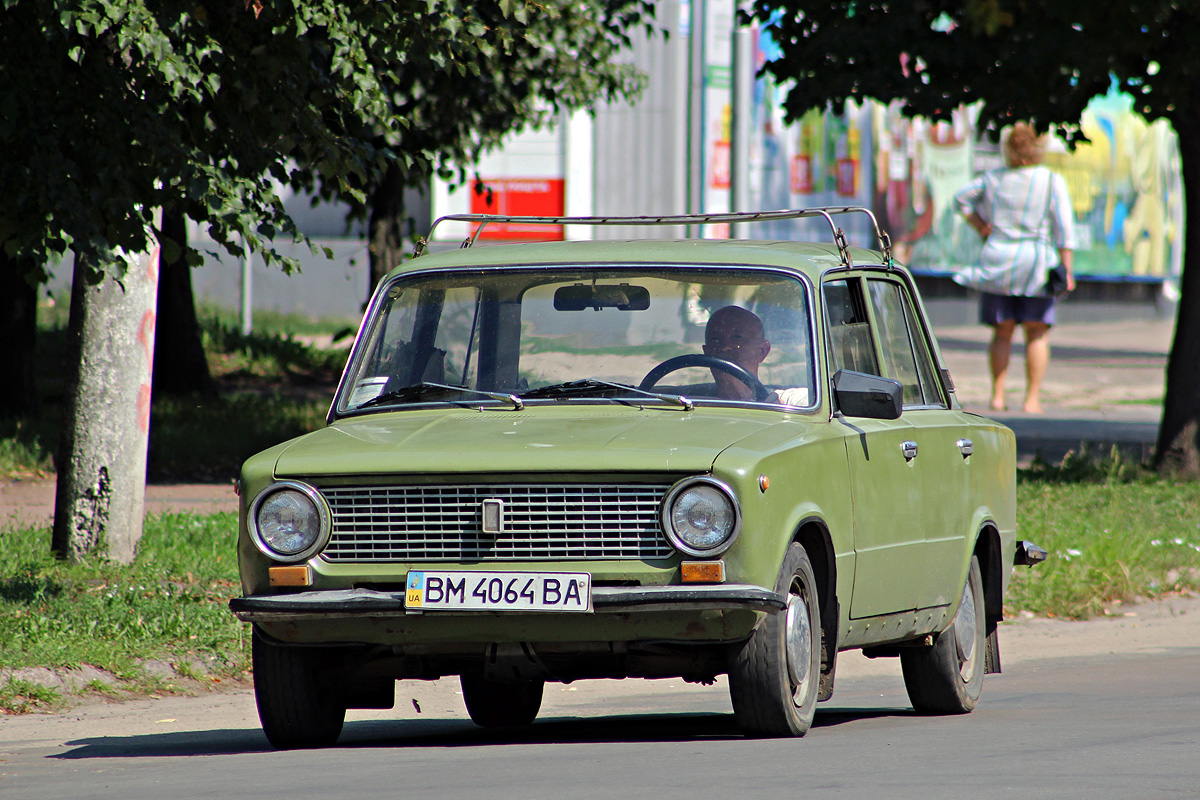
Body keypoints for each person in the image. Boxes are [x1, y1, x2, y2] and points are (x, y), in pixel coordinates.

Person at [953, 122, 1077, 413]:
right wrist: (1067, 270)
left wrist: (982, 228)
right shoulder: (1050, 180)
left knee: (1002, 331)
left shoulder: (993, 178)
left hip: (998, 264)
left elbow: (961, 199)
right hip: (1037, 263)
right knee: (1036, 332)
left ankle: (997, 396)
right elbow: (1065, 229)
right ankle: (1032, 399)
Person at [703, 305, 809, 405]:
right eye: (715, 339)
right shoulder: (692, 404)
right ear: (706, 352)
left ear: (762, 351)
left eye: (737, 337)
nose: (725, 347)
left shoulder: (792, 403)